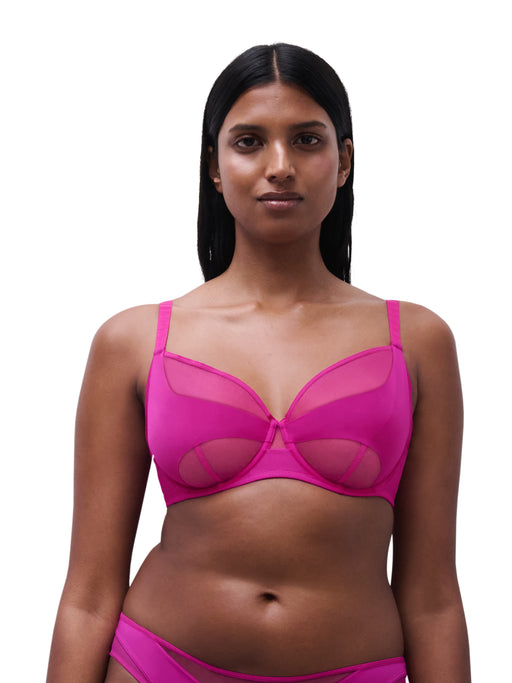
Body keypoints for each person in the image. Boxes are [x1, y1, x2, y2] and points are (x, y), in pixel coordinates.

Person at [47, 43, 471, 682]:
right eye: (249, 142)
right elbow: (88, 593)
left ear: (344, 161)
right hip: (158, 665)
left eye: (306, 140)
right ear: (214, 168)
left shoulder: (417, 341)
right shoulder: (133, 341)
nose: (280, 166)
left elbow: (433, 596)